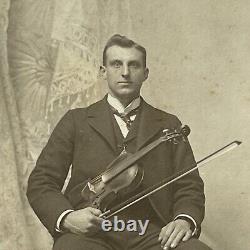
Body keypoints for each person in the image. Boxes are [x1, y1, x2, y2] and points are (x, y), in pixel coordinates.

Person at [27, 34, 212, 250]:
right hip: (91, 234)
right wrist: (68, 217)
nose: (125, 72)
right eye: (116, 64)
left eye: (133, 65)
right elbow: (42, 180)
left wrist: (184, 219)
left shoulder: (169, 124)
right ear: (103, 71)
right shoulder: (75, 120)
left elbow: (188, 184)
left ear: (145, 74)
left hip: (151, 232)